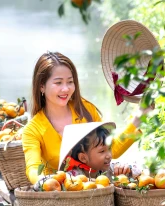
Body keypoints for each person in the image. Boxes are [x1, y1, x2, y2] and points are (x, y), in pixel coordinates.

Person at [22, 52, 142, 185]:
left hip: (98, 188)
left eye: (70, 82)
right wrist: (42, 182)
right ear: (41, 86)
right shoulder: (33, 130)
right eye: (58, 83)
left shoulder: (86, 110)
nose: (66, 89)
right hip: (62, 195)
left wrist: (139, 117)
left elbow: (110, 149)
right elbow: (33, 168)